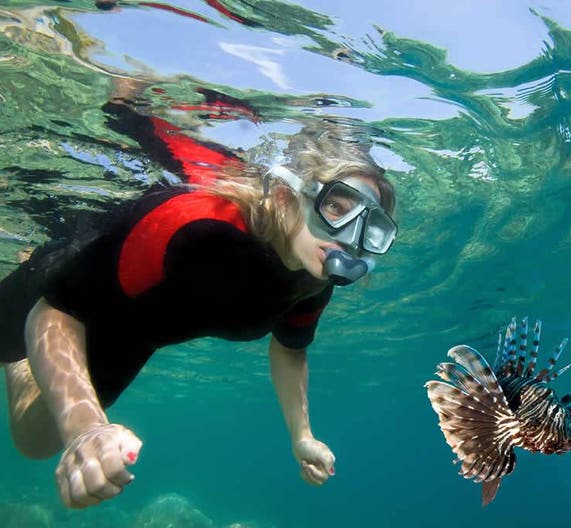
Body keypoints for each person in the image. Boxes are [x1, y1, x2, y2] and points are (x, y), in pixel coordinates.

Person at [0, 84, 397, 508]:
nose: (348, 239)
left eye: (369, 229)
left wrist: (302, 435)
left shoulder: (314, 275)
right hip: (65, 283)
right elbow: (56, 311)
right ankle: (21, 310)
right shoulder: (197, 229)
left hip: (138, 329)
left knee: (35, 440)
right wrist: (86, 429)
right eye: (337, 208)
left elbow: (290, 349)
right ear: (286, 195)